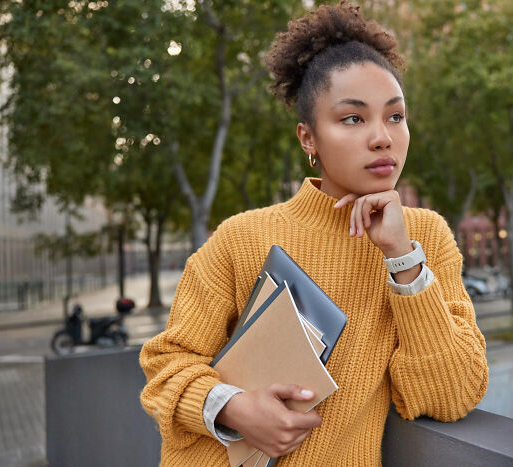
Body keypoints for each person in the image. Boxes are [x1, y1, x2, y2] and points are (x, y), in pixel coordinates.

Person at [139, 2, 489, 465]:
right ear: (308, 138)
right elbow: (165, 367)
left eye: (395, 116)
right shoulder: (241, 238)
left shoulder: (426, 237)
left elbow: (451, 394)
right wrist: (235, 409)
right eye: (353, 118)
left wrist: (402, 260)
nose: (382, 137)